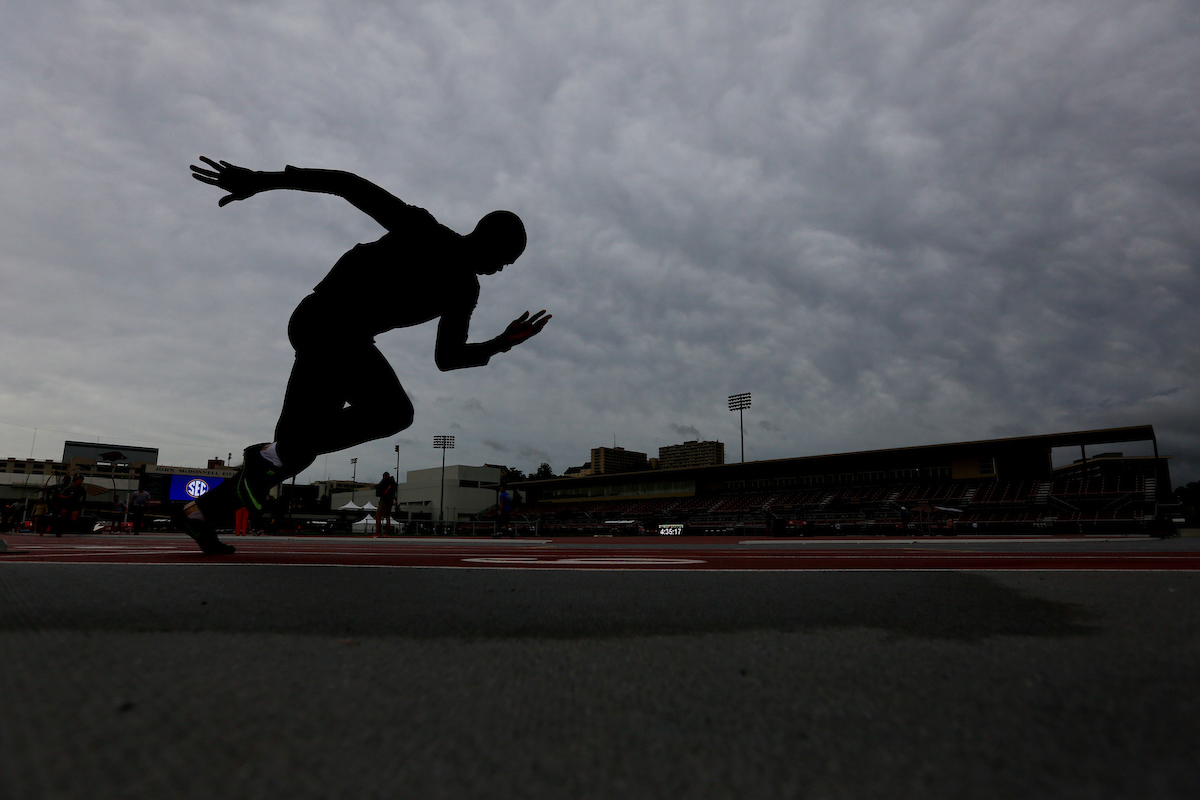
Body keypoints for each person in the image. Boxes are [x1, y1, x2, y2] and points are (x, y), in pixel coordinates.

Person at [178, 157, 551, 555]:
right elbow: (348, 184)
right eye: (505, 258)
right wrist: (261, 181)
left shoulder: (464, 290)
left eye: (508, 265)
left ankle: (200, 513)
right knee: (393, 412)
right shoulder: (424, 230)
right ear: (487, 237)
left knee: (296, 452)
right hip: (325, 320)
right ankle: (265, 457)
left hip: (345, 339)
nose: (501, 268)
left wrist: (501, 342)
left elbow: (447, 357)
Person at [374, 471, 397, 538]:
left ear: (384, 476)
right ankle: (386, 533)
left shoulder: (384, 481)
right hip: (390, 500)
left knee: (378, 516)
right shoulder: (393, 483)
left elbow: (378, 488)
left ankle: (377, 533)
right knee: (387, 516)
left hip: (384, 500)